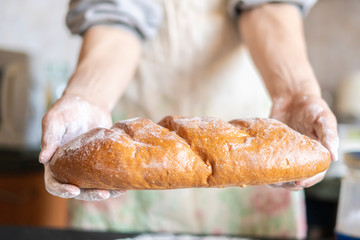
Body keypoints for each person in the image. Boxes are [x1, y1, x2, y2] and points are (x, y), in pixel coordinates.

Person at [40, 0, 338, 238]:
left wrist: (296, 95)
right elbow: (115, 17)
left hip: (253, 145)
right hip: (128, 142)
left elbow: (268, 6)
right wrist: (87, 99)